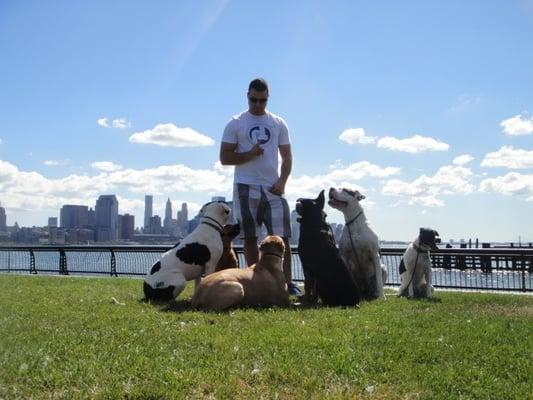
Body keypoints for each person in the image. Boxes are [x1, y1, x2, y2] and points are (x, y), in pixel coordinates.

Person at [220, 78, 302, 296]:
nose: (258, 105)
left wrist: (282, 182)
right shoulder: (236, 123)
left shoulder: (278, 123)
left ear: (268, 98)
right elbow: (224, 158)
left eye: (262, 101)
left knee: (282, 236)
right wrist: (250, 154)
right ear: (247, 96)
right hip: (245, 186)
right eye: (254, 100)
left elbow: (287, 156)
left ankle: (286, 283)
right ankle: (257, 283)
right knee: (250, 237)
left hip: (273, 187)